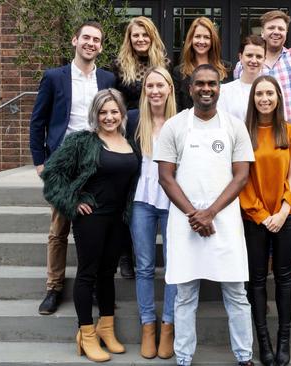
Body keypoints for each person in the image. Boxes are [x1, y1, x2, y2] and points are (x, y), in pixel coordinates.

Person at [154, 64, 256, 366]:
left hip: (224, 222)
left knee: (237, 294)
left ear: (219, 87)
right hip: (185, 224)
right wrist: (194, 215)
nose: (206, 89)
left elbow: (241, 176)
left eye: (212, 84)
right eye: (200, 84)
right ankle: (183, 359)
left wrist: (210, 213)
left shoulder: (235, 126)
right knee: (185, 295)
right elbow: (165, 177)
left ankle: (244, 357)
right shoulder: (174, 126)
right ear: (190, 88)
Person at [41, 89, 141, 362]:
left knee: (107, 274)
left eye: (114, 111)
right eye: (103, 112)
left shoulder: (130, 142)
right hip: (91, 218)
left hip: (119, 219)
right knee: (87, 274)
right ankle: (85, 334)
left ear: (122, 113)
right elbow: (52, 175)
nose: (109, 117)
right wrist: (72, 202)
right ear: (95, 115)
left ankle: (106, 328)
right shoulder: (82, 142)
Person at [29, 21, 116, 315]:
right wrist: (40, 161)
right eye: (86, 38)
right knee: (59, 227)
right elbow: (38, 121)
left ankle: (88, 284)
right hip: (63, 162)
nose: (91, 43)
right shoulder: (54, 77)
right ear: (74, 40)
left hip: (97, 161)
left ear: (101, 47)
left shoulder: (106, 78)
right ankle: (53, 287)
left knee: (93, 227)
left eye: (97, 40)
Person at [240, 75, 291, 366]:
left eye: (270, 93)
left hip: (287, 213)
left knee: (283, 276)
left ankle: (283, 339)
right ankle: (263, 341)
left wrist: (282, 211)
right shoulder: (243, 132)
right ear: (253, 99)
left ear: (278, 97)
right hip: (254, 213)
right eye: (259, 94)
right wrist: (262, 215)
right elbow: (241, 177)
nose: (264, 98)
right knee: (256, 279)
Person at [110, 16, 170, 278]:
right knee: (130, 193)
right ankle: (126, 255)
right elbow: (113, 100)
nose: (141, 39)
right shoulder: (118, 66)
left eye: (145, 35)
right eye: (136, 35)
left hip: (158, 129)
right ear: (129, 38)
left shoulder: (164, 63)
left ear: (152, 36)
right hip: (129, 130)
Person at [128, 66, 178, 359]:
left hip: (173, 202)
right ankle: (148, 325)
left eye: (160, 85)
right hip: (141, 202)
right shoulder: (133, 121)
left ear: (170, 88)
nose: (155, 91)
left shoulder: (182, 122)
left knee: (173, 266)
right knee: (144, 266)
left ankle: (168, 325)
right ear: (144, 90)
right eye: (150, 86)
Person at [173, 17, 233, 111]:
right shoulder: (179, 72)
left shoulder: (226, 69)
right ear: (191, 39)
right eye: (197, 36)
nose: (201, 41)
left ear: (213, 41)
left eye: (206, 37)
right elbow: (177, 107)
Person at [218, 35, 266, 121]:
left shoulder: (272, 90)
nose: (254, 61)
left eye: (259, 56)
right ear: (240, 57)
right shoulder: (225, 91)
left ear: (264, 59)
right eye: (249, 55)